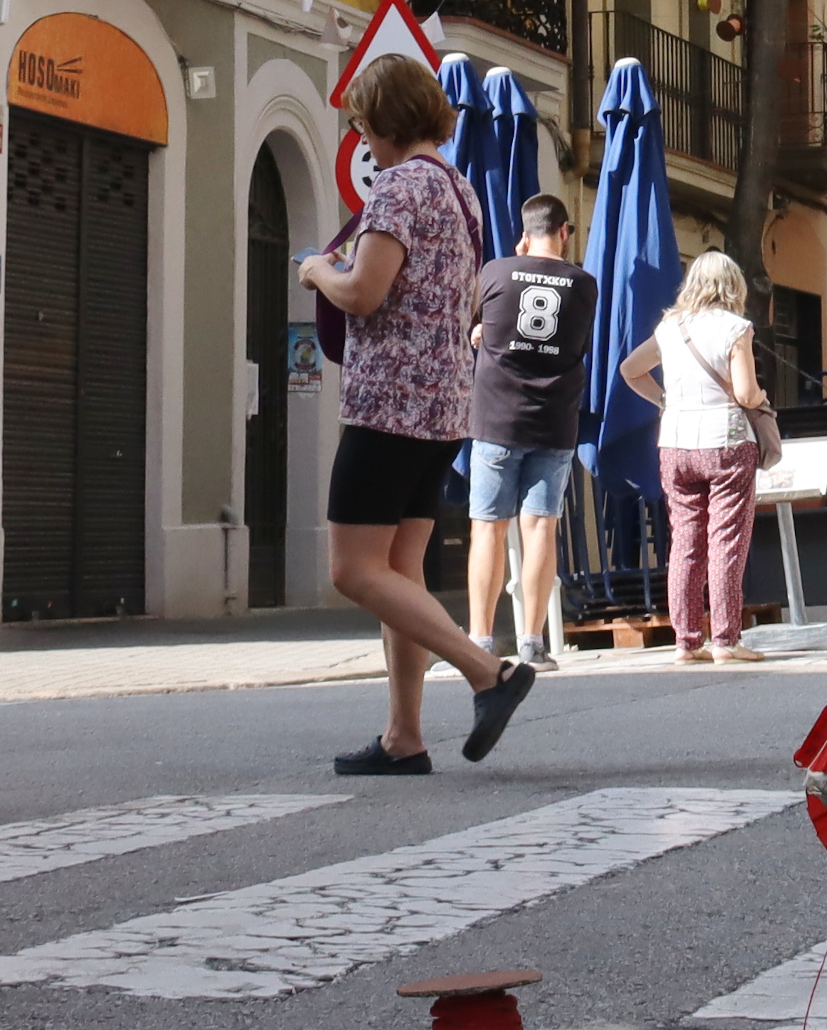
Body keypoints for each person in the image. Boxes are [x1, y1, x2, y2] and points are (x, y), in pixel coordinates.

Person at [300, 57, 534, 774]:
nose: (359, 136)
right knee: (399, 570)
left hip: (387, 406)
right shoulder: (460, 191)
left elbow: (365, 292)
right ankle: (404, 737)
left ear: (386, 120)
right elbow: (456, 299)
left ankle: (486, 672)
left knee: (352, 569)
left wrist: (316, 271)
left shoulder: (399, 188)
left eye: (363, 121)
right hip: (442, 407)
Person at [463, 194, 594, 672]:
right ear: (563, 231)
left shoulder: (495, 272)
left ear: (524, 233)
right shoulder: (583, 285)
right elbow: (578, 343)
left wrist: (481, 337)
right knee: (540, 527)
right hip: (554, 420)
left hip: (496, 418)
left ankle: (480, 641)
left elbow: (480, 326)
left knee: (487, 529)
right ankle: (533, 644)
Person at [626, 250, 766, 664]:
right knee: (726, 539)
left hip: (675, 443)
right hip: (725, 441)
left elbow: (631, 369)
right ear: (734, 287)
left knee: (685, 539)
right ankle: (725, 640)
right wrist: (760, 398)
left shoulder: (670, 327)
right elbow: (744, 393)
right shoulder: (736, 328)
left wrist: (665, 401)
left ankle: (686, 642)